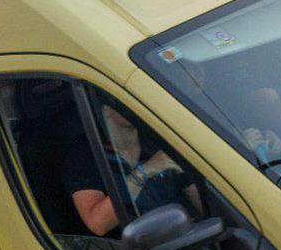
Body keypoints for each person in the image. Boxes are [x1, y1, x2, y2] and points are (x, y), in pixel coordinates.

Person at [63, 101, 199, 237]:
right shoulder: (86, 152)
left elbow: (196, 196)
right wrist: (144, 172)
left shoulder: (155, 137)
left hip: (190, 232)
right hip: (143, 244)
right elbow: (98, 224)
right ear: (107, 110)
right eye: (127, 103)